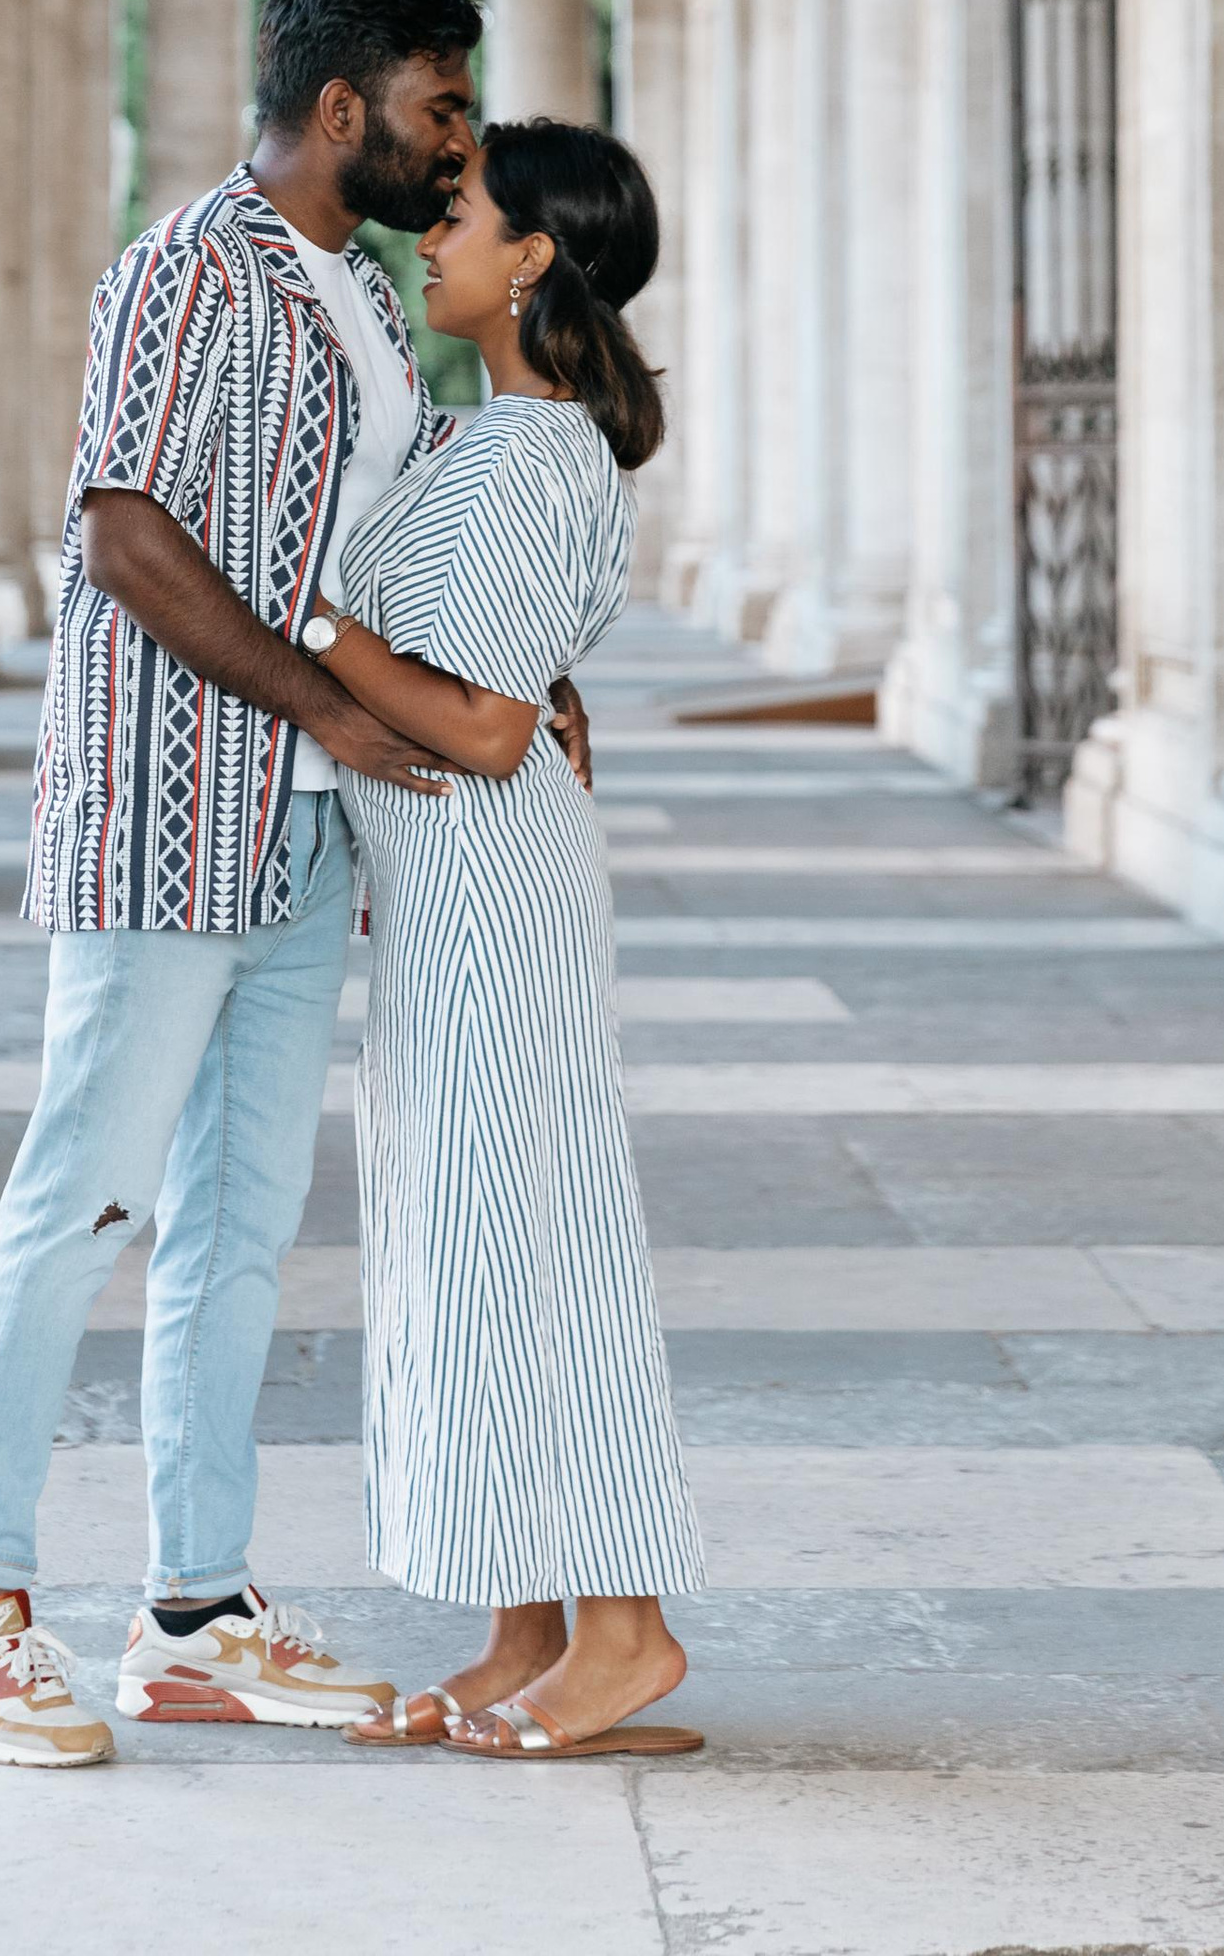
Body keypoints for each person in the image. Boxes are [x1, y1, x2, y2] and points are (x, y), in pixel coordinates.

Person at [0, 0, 591, 1771]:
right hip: (168, 806)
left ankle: (195, 1612)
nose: (460, 154)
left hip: (296, 828)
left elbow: (403, 531)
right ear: (346, 109)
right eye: (442, 112)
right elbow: (123, 530)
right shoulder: (184, 272)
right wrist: (333, 711)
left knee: (241, 1230)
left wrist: (524, 671)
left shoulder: (359, 297)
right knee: (83, 1205)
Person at [321, 119, 706, 1763]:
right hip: (446, 886)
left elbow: (484, 730)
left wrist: (305, 626)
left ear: (533, 256)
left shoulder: (532, 452)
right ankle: (523, 1622)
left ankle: (628, 1633)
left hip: (492, 887)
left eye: (460, 211)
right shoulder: (494, 441)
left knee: (534, 1238)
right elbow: (509, 686)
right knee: (459, 1248)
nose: (432, 229)